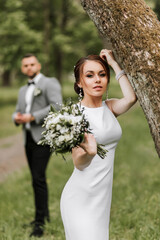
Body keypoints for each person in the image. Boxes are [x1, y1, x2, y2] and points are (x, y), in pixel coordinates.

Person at [60, 49, 137, 240]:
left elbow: (131, 98)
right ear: (79, 82)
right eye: (90, 75)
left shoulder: (109, 107)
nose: (97, 80)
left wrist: (112, 62)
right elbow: (79, 162)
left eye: (102, 75)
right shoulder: (74, 115)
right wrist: (89, 153)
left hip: (102, 198)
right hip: (80, 197)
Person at [12, 53, 62, 237]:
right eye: (25, 65)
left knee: (38, 178)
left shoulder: (50, 83)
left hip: (42, 137)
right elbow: (17, 111)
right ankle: (44, 215)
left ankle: (39, 223)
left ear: (38, 65)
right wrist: (16, 118)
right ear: (22, 68)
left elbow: (57, 106)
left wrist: (33, 117)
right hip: (27, 138)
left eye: (32, 64)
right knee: (36, 179)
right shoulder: (22, 90)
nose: (29, 68)